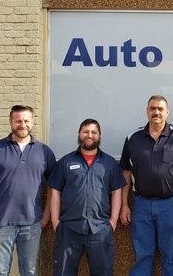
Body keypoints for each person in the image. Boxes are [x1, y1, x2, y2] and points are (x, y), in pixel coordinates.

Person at [0, 105, 56, 276]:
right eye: (18, 121)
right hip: (1, 222)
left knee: (30, 271)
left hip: (32, 223)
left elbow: (53, 187)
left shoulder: (44, 152)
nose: (22, 124)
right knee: (0, 271)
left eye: (26, 121)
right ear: (10, 122)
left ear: (32, 122)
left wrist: (46, 216)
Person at [119, 95, 173, 276]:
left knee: (170, 255)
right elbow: (126, 173)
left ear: (167, 112)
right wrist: (124, 204)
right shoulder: (133, 138)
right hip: (141, 204)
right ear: (147, 111)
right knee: (143, 255)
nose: (156, 112)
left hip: (171, 204)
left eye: (160, 109)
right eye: (152, 108)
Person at [49, 118, 125, 276]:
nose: (89, 135)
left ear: (99, 136)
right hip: (68, 229)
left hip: (100, 228)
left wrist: (113, 221)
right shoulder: (65, 162)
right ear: (79, 134)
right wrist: (56, 222)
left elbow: (116, 192)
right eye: (85, 132)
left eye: (93, 132)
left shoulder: (109, 164)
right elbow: (55, 191)